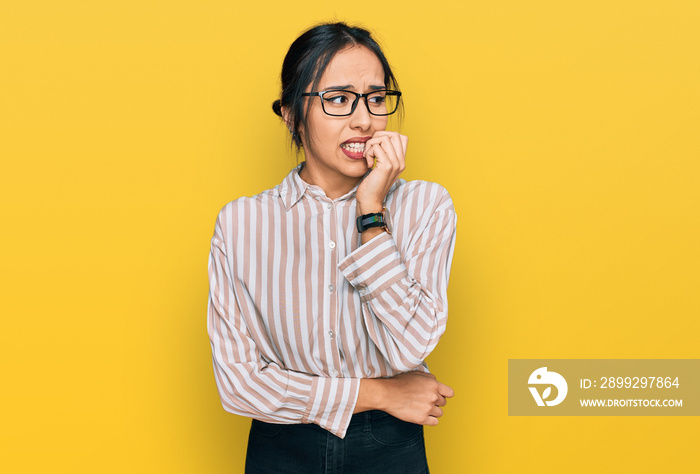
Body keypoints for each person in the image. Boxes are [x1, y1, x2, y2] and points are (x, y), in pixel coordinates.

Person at [207, 22, 457, 473]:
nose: (363, 119)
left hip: (390, 446)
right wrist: (380, 393)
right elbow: (239, 385)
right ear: (290, 113)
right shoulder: (241, 223)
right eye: (338, 99)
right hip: (280, 444)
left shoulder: (426, 206)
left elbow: (408, 347)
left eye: (376, 98)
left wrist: (371, 210)